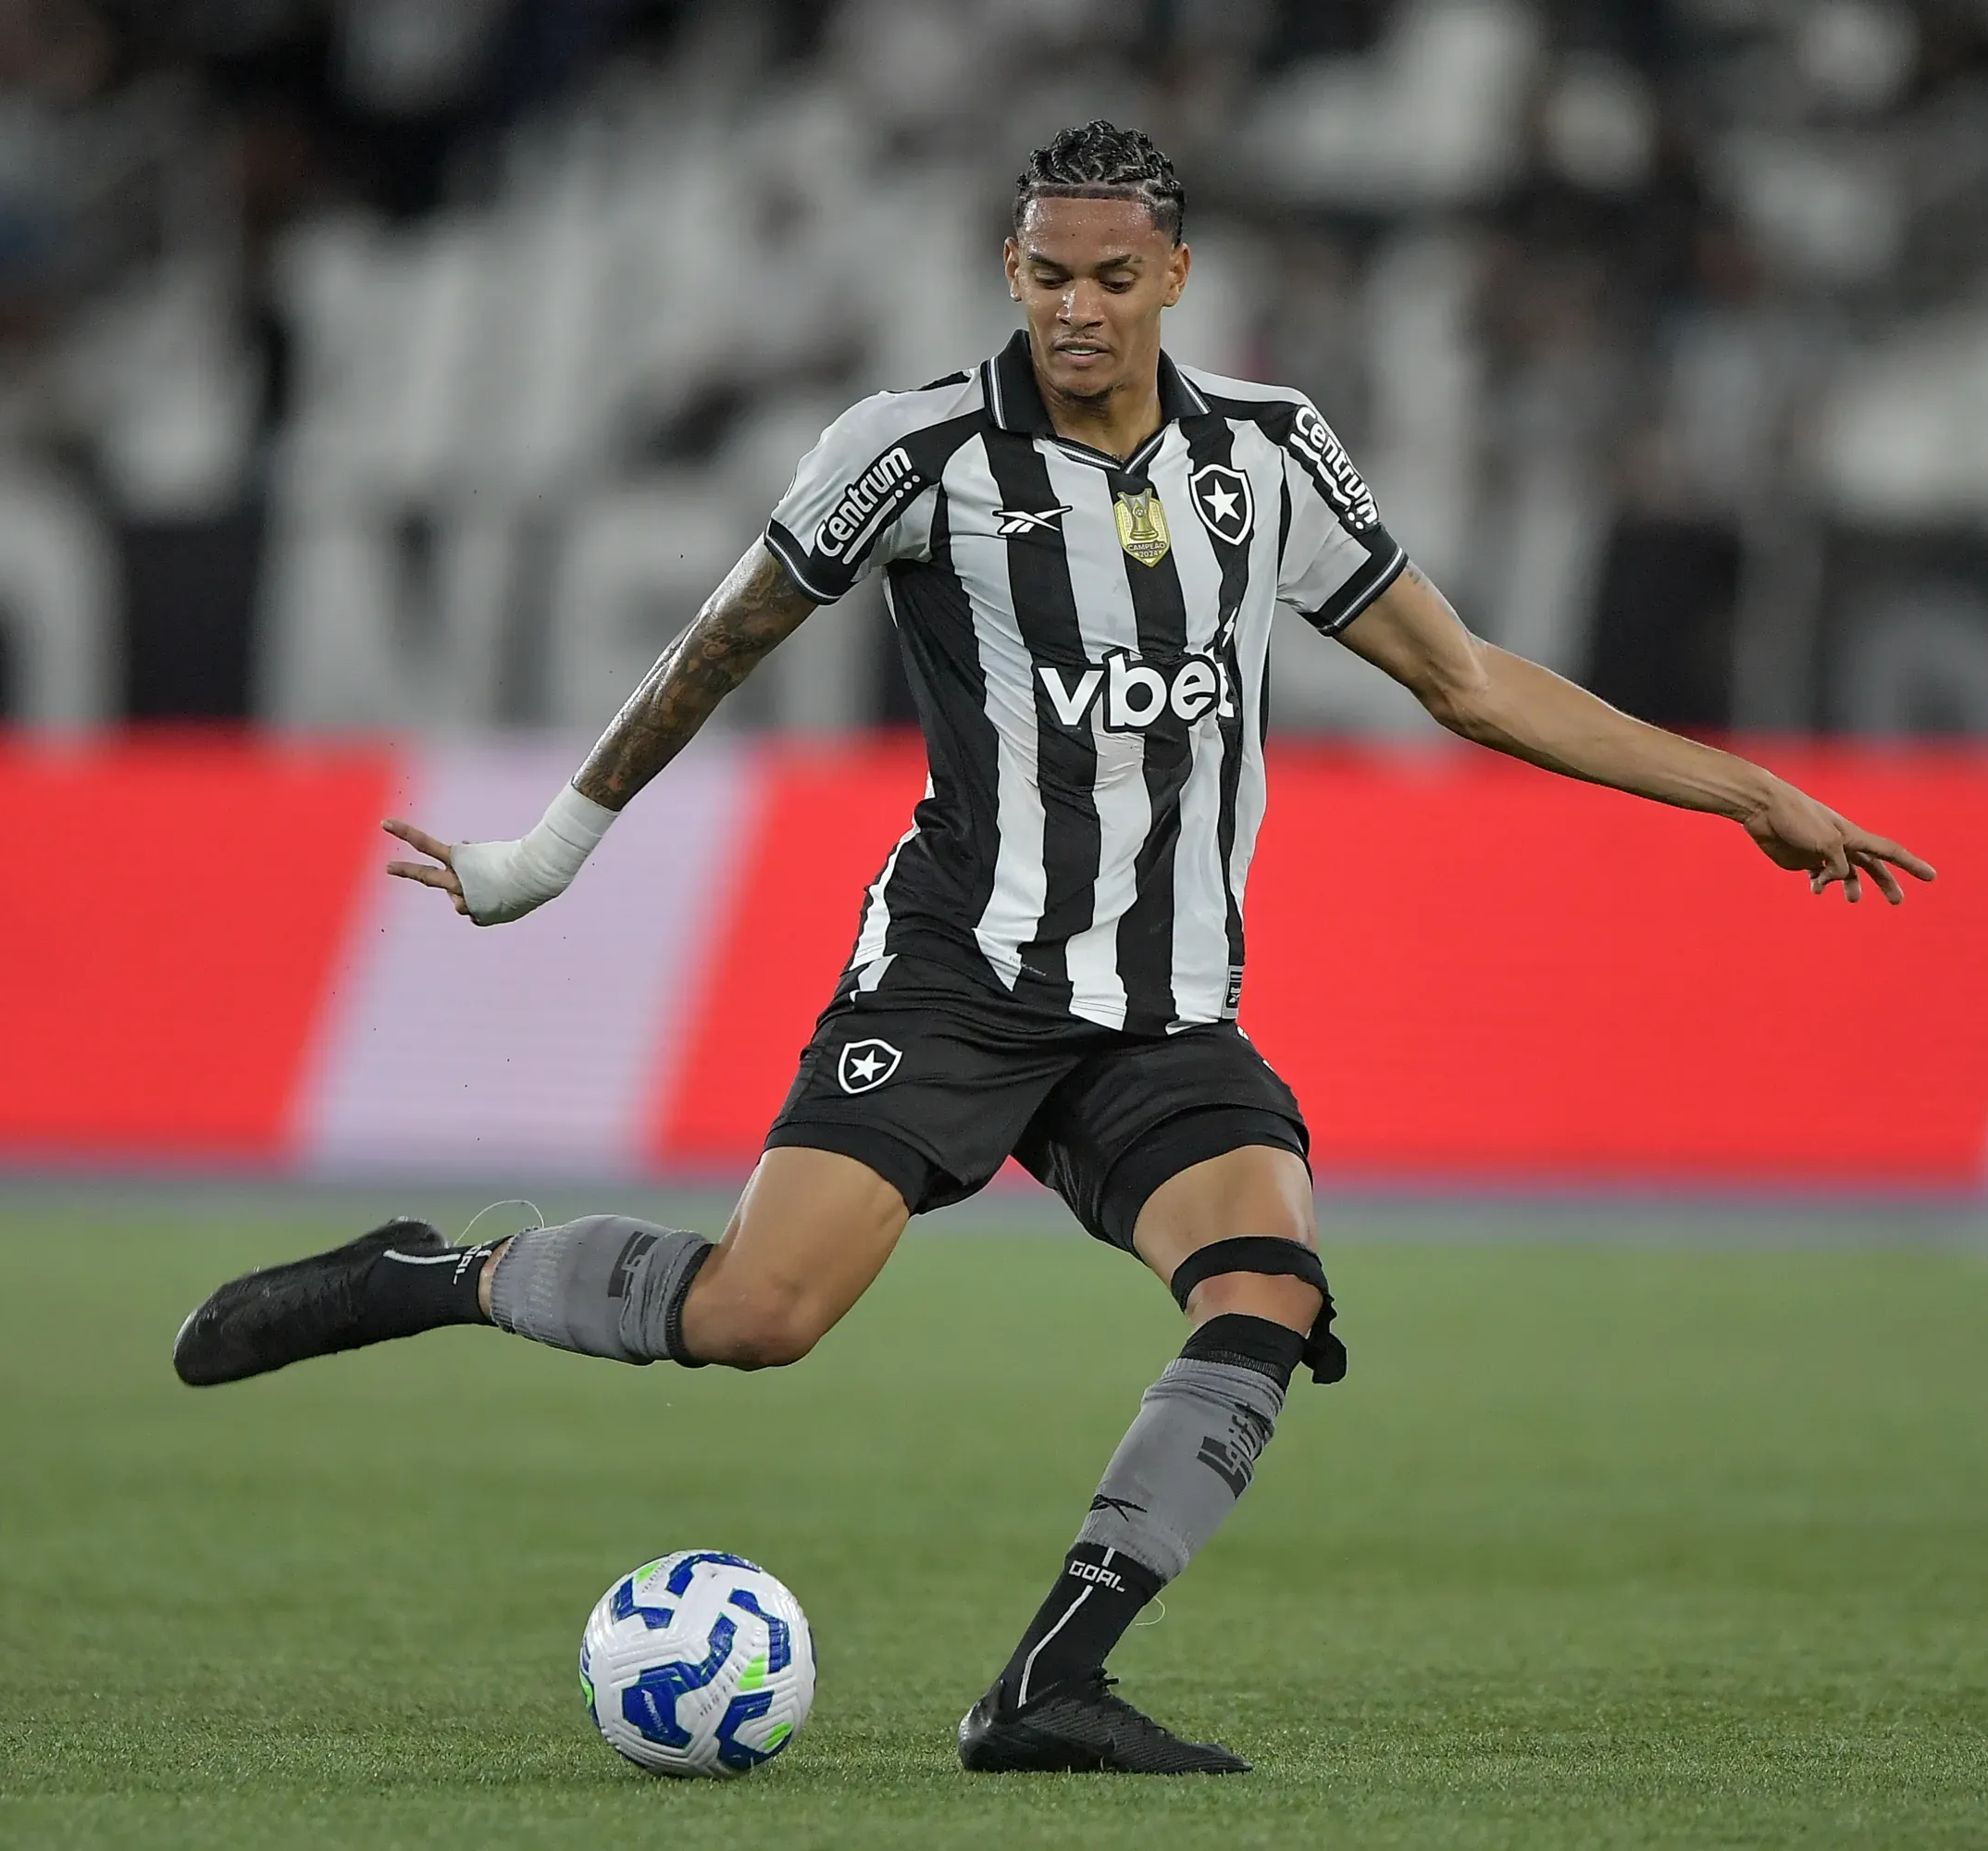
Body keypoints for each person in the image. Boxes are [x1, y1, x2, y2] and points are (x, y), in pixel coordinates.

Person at [171, 122, 1933, 1774]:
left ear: (1176, 276)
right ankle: (438, 1274)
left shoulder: (1268, 450)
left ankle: (1051, 1682)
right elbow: (720, 643)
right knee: (755, 1317)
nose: (1073, 309)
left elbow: (1463, 678)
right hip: (957, 973)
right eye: (1042, 277)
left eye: (1108, 277)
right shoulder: (911, 449)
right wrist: (548, 849)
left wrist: (1742, 792)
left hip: (1162, 1006)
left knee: (1270, 1280)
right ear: (1008, 272)